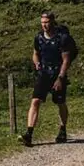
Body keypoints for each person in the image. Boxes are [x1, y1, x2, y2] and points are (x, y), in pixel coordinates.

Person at [21, 10, 74, 147]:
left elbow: (66, 60)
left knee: (60, 102)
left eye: (47, 22)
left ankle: (62, 129)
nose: (44, 25)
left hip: (57, 73)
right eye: (42, 23)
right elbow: (35, 53)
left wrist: (61, 78)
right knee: (35, 101)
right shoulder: (38, 37)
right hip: (43, 73)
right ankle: (29, 134)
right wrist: (37, 62)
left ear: (52, 21)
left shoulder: (62, 38)